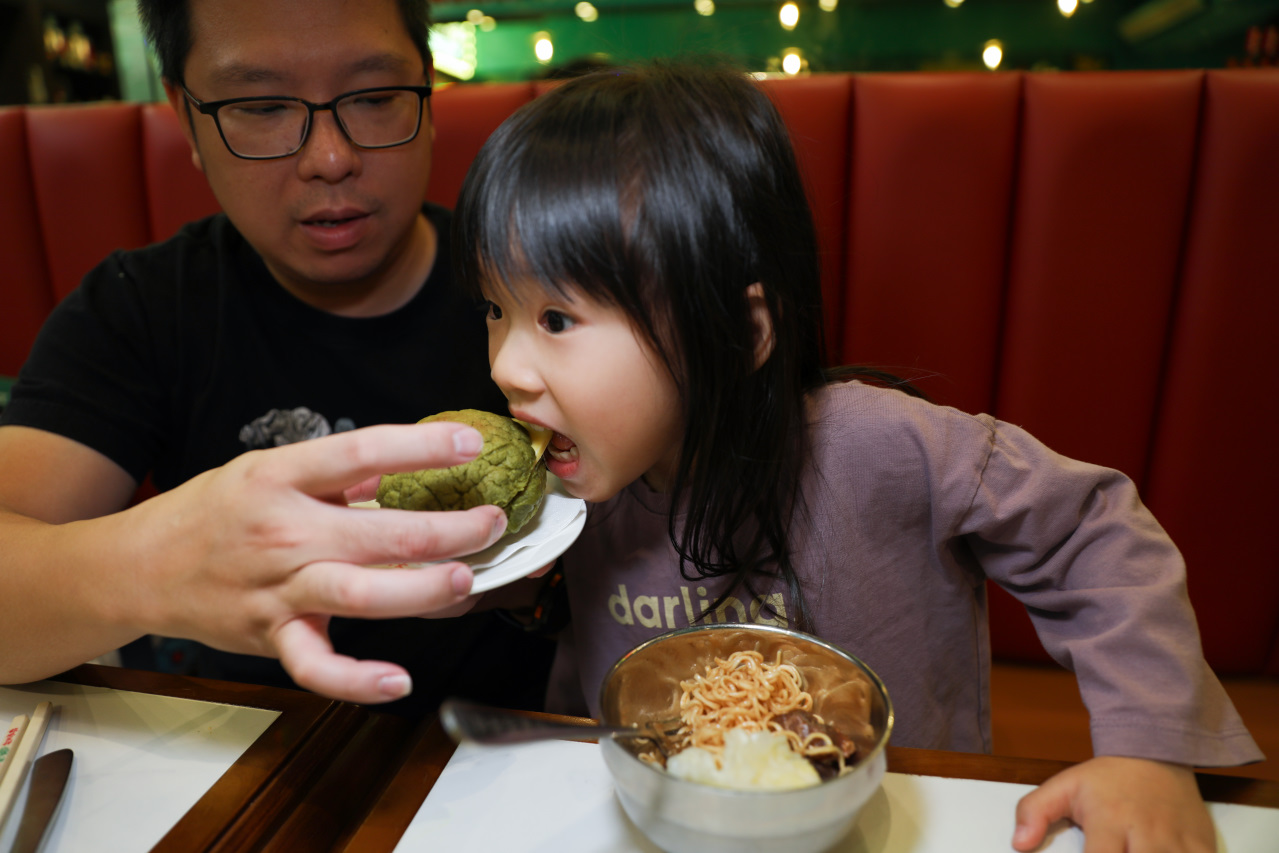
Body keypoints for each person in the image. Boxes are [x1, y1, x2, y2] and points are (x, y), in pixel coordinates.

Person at [450, 62, 1263, 851]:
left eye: (556, 318)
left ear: (738, 335)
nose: (504, 366)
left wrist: (1146, 749)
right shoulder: (570, 491)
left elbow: (1093, 535)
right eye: (496, 307)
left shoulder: (881, 447)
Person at [0, 0, 555, 716]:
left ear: (427, 90)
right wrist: (154, 558)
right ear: (185, 116)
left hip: (511, 759)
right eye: (260, 105)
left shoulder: (545, 298)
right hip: (227, 759)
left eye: (377, 96)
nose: (330, 159)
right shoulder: (140, 307)